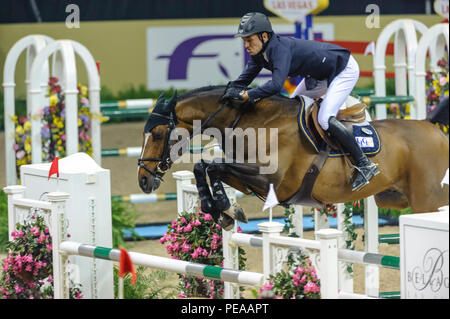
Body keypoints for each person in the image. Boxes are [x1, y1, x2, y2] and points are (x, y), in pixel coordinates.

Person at [222, 12, 379, 191]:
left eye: (249, 40)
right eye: (244, 41)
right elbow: (242, 81)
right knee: (290, 109)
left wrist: (248, 95)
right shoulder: (260, 54)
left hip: (343, 69)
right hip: (317, 76)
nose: (246, 45)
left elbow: (275, 85)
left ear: (264, 36)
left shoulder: (279, 49)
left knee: (324, 118)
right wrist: (226, 93)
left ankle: (364, 164)